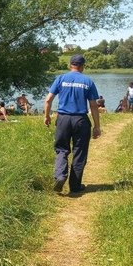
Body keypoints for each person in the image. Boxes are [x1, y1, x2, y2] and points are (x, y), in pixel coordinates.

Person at [43, 54, 101, 193]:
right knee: (79, 152)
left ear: (70, 65)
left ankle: (60, 176)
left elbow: (48, 100)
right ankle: (75, 186)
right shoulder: (88, 81)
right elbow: (93, 105)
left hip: (63, 118)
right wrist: (97, 126)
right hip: (80, 120)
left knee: (62, 149)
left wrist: (46, 116)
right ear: (82, 66)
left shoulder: (61, 78)